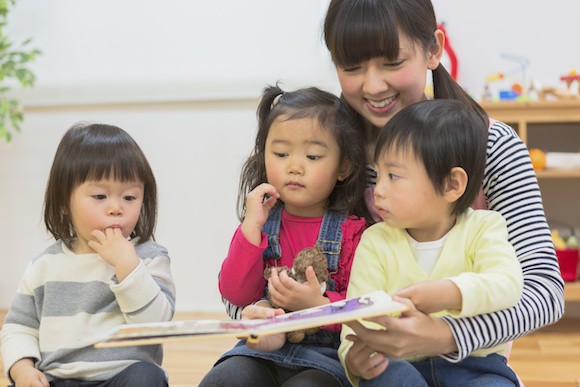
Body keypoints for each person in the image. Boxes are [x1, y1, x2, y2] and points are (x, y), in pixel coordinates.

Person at [322, 0, 563, 374]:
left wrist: (444, 334)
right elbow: (265, 261)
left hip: (468, 362)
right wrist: (253, 312)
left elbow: (544, 292)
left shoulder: (490, 146)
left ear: (433, 50)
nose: (372, 85)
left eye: (392, 62)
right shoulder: (323, 152)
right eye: (351, 67)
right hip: (349, 358)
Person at [340, 99, 524, 386]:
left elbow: (508, 283)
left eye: (394, 176)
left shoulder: (484, 228)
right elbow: (356, 318)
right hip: (399, 366)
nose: (379, 190)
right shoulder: (375, 240)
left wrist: (449, 293)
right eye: (378, 174)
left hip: (476, 365)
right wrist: (352, 359)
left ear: (451, 185)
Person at [199, 84, 371, 387]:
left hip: (326, 359)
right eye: (280, 153)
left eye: (314, 156)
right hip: (261, 353)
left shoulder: (353, 232)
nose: (294, 166)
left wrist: (318, 304)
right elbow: (235, 293)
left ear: (343, 167)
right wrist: (250, 228)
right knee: (223, 380)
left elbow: (363, 307)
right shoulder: (260, 223)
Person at [0, 123, 176, 387]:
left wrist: (127, 265)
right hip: (57, 378)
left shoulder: (149, 258)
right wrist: (22, 369)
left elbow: (155, 326)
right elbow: (18, 327)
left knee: (148, 377)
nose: (116, 207)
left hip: (122, 376)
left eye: (129, 197)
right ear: (63, 202)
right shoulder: (44, 266)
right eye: (100, 195)